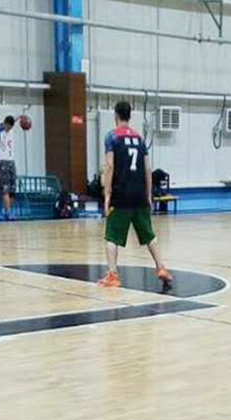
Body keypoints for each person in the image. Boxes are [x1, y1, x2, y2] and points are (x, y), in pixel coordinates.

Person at [99, 100, 172, 289]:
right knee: (149, 235)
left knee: (112, 237)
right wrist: (148, 194)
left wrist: (107, 195)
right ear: (129, 116)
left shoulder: (111, 137)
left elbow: (110, 166)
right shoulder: (139, 139)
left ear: (116, 116)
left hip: (121, 195)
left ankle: (113, 275)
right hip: (139, 194)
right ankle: (161, 267)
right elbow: (147, 169)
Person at [0, 115, 17, 219]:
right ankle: (8, 212)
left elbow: (14, 119)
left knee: (13, 191)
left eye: (11, 127)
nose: (9, 129)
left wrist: (21, 116)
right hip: (2, 162)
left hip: (11, 162)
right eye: (8, 127)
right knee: (5, 189)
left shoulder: (10, 128)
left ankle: (8, 211)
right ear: (5, 123)